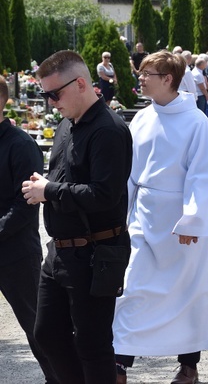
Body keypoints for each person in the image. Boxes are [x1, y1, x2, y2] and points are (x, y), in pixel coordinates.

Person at [22, 50, 132, 383]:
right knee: (47, 334)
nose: (50, 101)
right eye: (45, 94)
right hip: (60, 252)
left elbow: (103, 195)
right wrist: (46, 186)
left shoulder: (109, 130)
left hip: (96, 252)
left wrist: (49, 191)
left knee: (92, 344)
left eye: (54, 93)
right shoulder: (67, 126)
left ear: (81, 83)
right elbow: (65, 180)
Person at [112, 52, 208, 384]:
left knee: (188, 292)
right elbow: (130, 174)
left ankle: (189, 365)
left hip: (179, 222)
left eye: (148, 73)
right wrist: (122, 212)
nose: (141, 78)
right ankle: (119, 363)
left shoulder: (196, 121)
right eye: (141, 72)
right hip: (144, 217)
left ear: (169, 79)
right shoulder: (142, 117)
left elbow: (201, 174)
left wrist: (194, 218)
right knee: (132, 287)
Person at [0, 76, 59, 384]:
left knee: (39, 328)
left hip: (15, 254)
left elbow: (26, 206)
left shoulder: (21, 145)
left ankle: (61, 378)